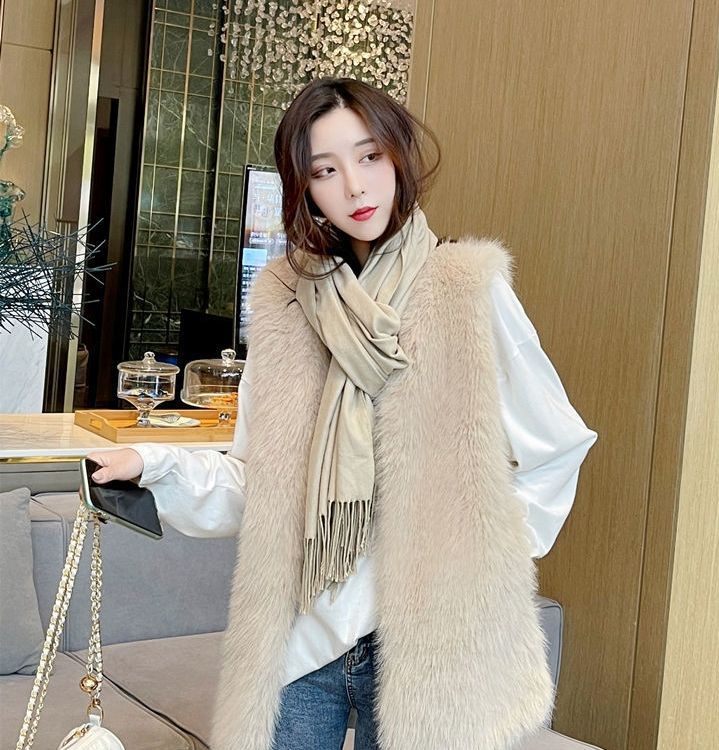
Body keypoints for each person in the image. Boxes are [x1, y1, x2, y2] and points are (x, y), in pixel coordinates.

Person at [88, 77, 597, 750]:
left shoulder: (465, 289)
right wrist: (153, 465)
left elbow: (557, 446)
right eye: (325, 170)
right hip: (305, 641)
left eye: (369, 157)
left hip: (425, 644)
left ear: (399, 156)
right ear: (304, 188)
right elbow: (259, 481)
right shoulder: (286, 301)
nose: (355, 187)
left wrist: (479, 560)